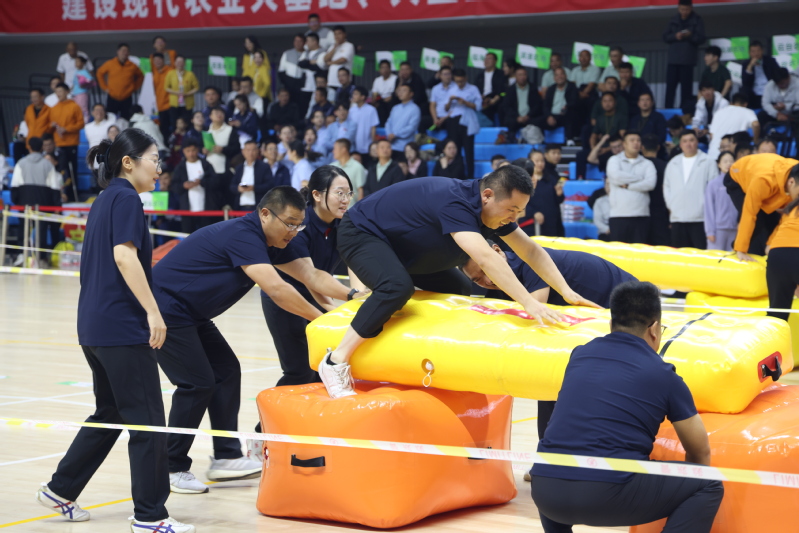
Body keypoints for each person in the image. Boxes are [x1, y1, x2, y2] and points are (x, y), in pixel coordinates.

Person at [35, 129, 195, 533]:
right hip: (121, 328)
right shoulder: (126, 198)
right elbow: (124, 257)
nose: (159, 168)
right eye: (154, 159)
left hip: (93, 326)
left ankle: (60, 489)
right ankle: (150, 517)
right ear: (129, 162)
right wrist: (154, 312)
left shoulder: (104, 199)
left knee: (110, 413)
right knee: (148, 422)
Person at [321, 166, 599, 398]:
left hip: (403, 247)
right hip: (361, 233)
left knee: (459, 289)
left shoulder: (493, 210)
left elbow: (531, 251)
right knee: (396, 287)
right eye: (512, 209)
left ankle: (434, 356)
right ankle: (335, 360)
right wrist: (528, 302)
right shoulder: (457, 202)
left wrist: (567, 291)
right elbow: (486, 259)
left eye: (520, 211)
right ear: (487, 195)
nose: (514, 218)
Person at [152, 187, 328, 494]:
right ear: (265, 214)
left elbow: (311, 276)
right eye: (289, 223)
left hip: (192, 314)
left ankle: (226, 457)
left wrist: (353, 297)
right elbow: (277, 289)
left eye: (298, 225)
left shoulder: (275, 241)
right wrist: (321, 320)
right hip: (165, 309)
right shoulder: (244, 235)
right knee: (197, 384)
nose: (293, 231)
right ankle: (171, 466)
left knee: (227, 372)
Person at [531, 280, 723, 533]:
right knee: (708, 483)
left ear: (612, 323)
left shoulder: (580, 355)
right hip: (607, 496)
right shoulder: (663, 374)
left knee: (558, 466)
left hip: (544, 493)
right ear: (654, 329)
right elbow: (700, 452)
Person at [261, 167, 361, 390]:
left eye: (348, 193)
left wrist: (358, 300)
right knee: (299, 371)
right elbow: (311, 278)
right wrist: (341, 303)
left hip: (320, 293)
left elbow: (354, 261)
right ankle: (271, 414)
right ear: (316, 195)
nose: (345, 200)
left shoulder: (343, 223)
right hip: (287, 298)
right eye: (339, 193)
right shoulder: (298, 225)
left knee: (320, 369)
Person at [725, 153, 799, 259]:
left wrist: (770, 244)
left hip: (774, 183)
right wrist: (740, 250)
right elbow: (749, 213)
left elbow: (785, 217)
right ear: (791, 182)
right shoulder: (763, 180)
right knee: (757, 222)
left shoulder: (795, 176)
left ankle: (766, 251)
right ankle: (737, 248)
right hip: (738, 178)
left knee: (773, 221)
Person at [10, 137, 63, 264]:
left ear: (29, 147)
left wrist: (17, 201)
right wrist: (56, 205)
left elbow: (15, 186)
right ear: (41, 148)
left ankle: (22, 255)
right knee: (41, 231)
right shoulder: (48, 165)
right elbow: (55, 187)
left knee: (23, 228)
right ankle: (41, 258)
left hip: (24, 202)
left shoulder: (20, 163)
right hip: (43, 202)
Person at [664, 130, 718, 248]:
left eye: (691, 140)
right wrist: (671, 205)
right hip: (677, 217)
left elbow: (714, 188)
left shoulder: (708, 161)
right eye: (685, 141)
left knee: (700, 254)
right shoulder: (673, 163)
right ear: (680, 144)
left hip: (701, 218)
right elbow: (667, 187)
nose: (688, 144)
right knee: (679, 254)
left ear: (697, 142)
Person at [606, 132, 657, 243]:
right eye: (632, 140)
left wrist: (629, 186)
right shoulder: (614, 160)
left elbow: (650, 184)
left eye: (638, 140)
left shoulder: (647, 163)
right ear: (624, 144)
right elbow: (616, 177)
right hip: (618, 215)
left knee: (639, 251)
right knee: (618, 251)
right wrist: (640, 178)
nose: (636, 143)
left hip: (641, 215)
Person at [764, 166, 799, 322]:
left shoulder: (791, 208)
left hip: (777, 255)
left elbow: (771, 244)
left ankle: (772, 339)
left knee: (777, 313)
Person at [170, 137, 224, 233]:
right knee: (187, 236)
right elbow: (174, 186)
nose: (191, 154)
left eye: (193, 150)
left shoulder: (206, 164)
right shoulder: (180, 167)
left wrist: (201, 182)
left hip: (206, 209)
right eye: (188, 151)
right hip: (187, 210)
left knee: (207, 235)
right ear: (184, 151)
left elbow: (216, 182)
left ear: (198, 150)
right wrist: (184, 186)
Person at [662, 0, 705, 112]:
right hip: (673, 60)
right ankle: (668, 110)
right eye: (682, 9)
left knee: (686, 90)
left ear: (691, 8)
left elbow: (701, 38)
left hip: (687, 60)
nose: (684, 12)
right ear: (678, 8)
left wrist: (689, 36)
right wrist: (675, 36)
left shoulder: (697, 20)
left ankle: (685, 112)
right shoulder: (673, 19)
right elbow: (665, 37)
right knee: (670, 88)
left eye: (686, 9)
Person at [50, 83, 84, 201]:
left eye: (60, 91)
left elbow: (81, 123)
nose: (58, 94)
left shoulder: (74, 106)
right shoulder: (54, 108)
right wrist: (52, 125)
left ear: (66, 92)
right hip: (58, 143)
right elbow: (50, 125)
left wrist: (66, 129)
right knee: (61, 170)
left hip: (71, 143)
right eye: (56, 92)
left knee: (71, 170)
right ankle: (62, 194)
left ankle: (72, 195)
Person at [447, 69, 482, 179]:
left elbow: (478, 107)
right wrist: (450, 101)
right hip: (454, 120)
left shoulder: (473, 89)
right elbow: (446, 108)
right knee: (455, 150)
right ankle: (457, 175)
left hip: (467, 121)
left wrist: (465, 102)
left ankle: (470, 176)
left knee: (468, 150)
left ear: (466, 78)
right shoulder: (451, 89)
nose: (460, 83)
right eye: (457, 81)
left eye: (461, 81)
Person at [96, 43, 143, 120]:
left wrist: (134, 87)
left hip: (127, 97)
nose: (125, 53)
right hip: (112, 96)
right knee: (110, 119)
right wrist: (104, 87)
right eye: (123, 50)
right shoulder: (110, 63)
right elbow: (99, 73)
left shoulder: (132, 66)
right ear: (118, 52)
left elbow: (140, 76)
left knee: (126, 119)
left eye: (127, 51)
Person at [707, 92, 760, 160]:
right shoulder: (747, 111)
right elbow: (756, 124)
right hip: (730, 156)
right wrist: (755, 141)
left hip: (713, 153)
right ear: (745, 104)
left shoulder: (719, 112)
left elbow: (711, 135)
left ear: (731, 103)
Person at [704, 151, 738, 251]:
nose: (728, 163)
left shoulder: (739, 184)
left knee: (732, 257)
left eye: (731, 161)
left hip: (735, 229)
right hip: (718, 229)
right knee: (715, 257)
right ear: (719, 164)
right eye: (725, 161)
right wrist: (710, 231)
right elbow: (708, 208)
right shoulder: (713, 184)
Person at [641, 134, 671, 246]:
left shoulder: (638, 166)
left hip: (640, 212)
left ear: (642, 148)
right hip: (661, 213)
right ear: (658, 147)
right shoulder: (667, 166)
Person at [230, 140, 272, 211]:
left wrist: (254, 188)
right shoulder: (239, 168)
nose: (250, 153)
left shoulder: (264, 167)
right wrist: (238, 188)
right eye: (248, 150)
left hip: (258, 205)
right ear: (243, 151)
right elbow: (232, 185)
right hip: (241, 206)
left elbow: (269, 185)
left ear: (257, 151)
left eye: (253, 150)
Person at [504, 66, 545, 136]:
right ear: (516, 76)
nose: (522, 77)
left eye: (524, 75)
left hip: (530, 117)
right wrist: (517, 117)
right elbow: (507, 106)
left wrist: (528, 116)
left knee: (540, 120)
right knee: (509, 121)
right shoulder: (510, 90)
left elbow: (537, 105)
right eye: (520, 75)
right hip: (516, 118)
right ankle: (511, 138)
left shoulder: (533, 88)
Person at [539, 68, 579, 140]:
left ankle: (570, 140)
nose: (559, 77)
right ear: (554, 78)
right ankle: (540, 140)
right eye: (557, 75)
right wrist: (549, 116)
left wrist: (566, 106)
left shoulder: (572, 87)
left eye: (561, 74)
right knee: (536, 121)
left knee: (571, 116)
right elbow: (546, 105)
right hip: (552, 116)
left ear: (566, 76)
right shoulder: (551, 89)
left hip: (566, 114)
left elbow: (575, 102)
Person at [740, 41, 780, 110]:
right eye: (753, 51)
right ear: (749, 53)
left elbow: (778, 74)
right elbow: (745, 82)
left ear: (762, 51)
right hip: (754, 93)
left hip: (769, 90)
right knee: (744, 90)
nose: (756, 54)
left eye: (758, 51)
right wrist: (750, 66)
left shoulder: (770, 61)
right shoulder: (746, 64)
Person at [385, 84, 421, 160]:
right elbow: (388, 123)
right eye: (399, 91)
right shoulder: (395, 108)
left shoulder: (415, 109)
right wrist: (389, 134)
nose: (400, 93)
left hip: (405, 147)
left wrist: (395, 134)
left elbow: (411, 127)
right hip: (391, 145)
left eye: (404, 90)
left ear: (411, 94)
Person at [164, 56, 199, 132]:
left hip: (187, 103)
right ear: (174, 63)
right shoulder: (170, 73)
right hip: (174, 103)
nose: (180, 64)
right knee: (174, 122)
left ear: (185, 63)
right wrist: (176, 92)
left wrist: (187, 93)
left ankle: (187, 137)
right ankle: (175, 138)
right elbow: (166, 87)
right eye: (178, 62)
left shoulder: (190, 74)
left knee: (187, 122)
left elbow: (196, 87)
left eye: (181, 62)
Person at [568, 50, 601, 130]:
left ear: (590, 58)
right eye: (581, 56)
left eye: (586, 56)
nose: (583, 58)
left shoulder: (595, 69)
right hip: (577, 94)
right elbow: (572, 85)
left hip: (590, 95)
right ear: (579, 58)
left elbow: (591, 85)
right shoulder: (575, 70)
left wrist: (583, 94)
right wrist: (579, 94)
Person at [759, 67, 799, 132]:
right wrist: (776, 113)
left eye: (783, 83)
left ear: (788, 77)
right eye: (778, 84)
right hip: (777, 112)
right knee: (761, 115)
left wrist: (786, 106)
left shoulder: (797, 83)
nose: (781, 85)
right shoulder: (770, 85)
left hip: (793, 112)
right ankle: (762, 137)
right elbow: (765, 103)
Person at [204, 107, 240, 177]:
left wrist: (223, 149)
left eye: (221, 113)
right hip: (208, 166)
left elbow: (236, 148)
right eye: (216, 113)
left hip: (225, 168)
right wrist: (203, 150)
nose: (219, 115)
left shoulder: (230, 130)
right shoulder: (206, 130)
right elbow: (199, 146)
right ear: (210, 116)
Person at [348, 86, 379, 164]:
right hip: (354, 147)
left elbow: (373, 128)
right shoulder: (351, 110)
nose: (353, 96)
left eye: (356, 94)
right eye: (353, 94)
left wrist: (373, 143)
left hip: (367, 146)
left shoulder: (371, 109)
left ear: (362, 97)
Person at [297, 33, 325, 116]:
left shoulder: (323, 52)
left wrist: (307, 63)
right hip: (305, 87)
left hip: (316, 87)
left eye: (307, 41)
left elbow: (319, 67)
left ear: (314, 42)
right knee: (303, 110)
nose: (306, 43)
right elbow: (300, 63)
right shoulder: (306, 52)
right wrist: (310, 62)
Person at [330, 138, 366, 204]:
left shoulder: (357, 167)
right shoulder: (331, 167)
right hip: (334, 208)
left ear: (343, 150)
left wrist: (358, 209)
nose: (333, 151)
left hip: (350, 208)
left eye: (335, 149)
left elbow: (361, 191)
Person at [279, 34, 308, 112]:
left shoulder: (308, 54)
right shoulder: (287, 53)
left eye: (300, 41)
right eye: (296, 41)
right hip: (289, 87)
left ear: (304, 42)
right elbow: (281, 71)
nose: (298, 43)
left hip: (303, 87)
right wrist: (288, 82)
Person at [475, 52, 507, 121]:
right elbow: (476, 89)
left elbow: (503, 91)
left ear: (495, 61)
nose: (486, 61)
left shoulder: (501, 74)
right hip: (482, 100)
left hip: (496, 99)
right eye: (485, 59)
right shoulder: (480, 76)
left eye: (489, 59)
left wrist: (495, 97)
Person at [150, 53, 174, 141]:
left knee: (173, 127)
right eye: (155, 60)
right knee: (163, 128)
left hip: (171, 104)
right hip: (159, 106)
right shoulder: (153, 73)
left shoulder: (170, 71)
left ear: (163, 60)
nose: (157, 62)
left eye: (159, 59)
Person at [430, 65, 456, 133]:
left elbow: (457, 108)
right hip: (437, 117)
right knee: (423, 122)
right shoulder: (435, 88)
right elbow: (432, 105)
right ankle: (424, 138)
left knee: (451, 122)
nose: (447, 76)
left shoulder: (457, 87)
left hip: (450, 117)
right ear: (440, 76)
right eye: (445, 74)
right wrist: (435, 119)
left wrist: (444, 118)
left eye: (449, 74)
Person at [371, 59, 398, 125]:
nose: (385, 70)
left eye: (386, 67)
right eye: (382, 68)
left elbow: (397, 93)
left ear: (390, 69)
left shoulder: (395, 78)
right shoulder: (377, 80)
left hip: (392, 100)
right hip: (381, 101)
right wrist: (374, 101)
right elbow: (374, 94)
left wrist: (390, 98)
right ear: (379, 70)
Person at [71, 55, 93, 123]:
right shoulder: (77, 72)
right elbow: (74, 83)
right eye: (75, 62)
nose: (76, 63)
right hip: (75, 93)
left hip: (82, 93)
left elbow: (91, 81)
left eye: (78, 61)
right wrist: (69, 90)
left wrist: (84, 85)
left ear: (82, 63)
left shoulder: (84, 72)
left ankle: (85, 122)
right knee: (76, 108)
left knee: (83, 108)